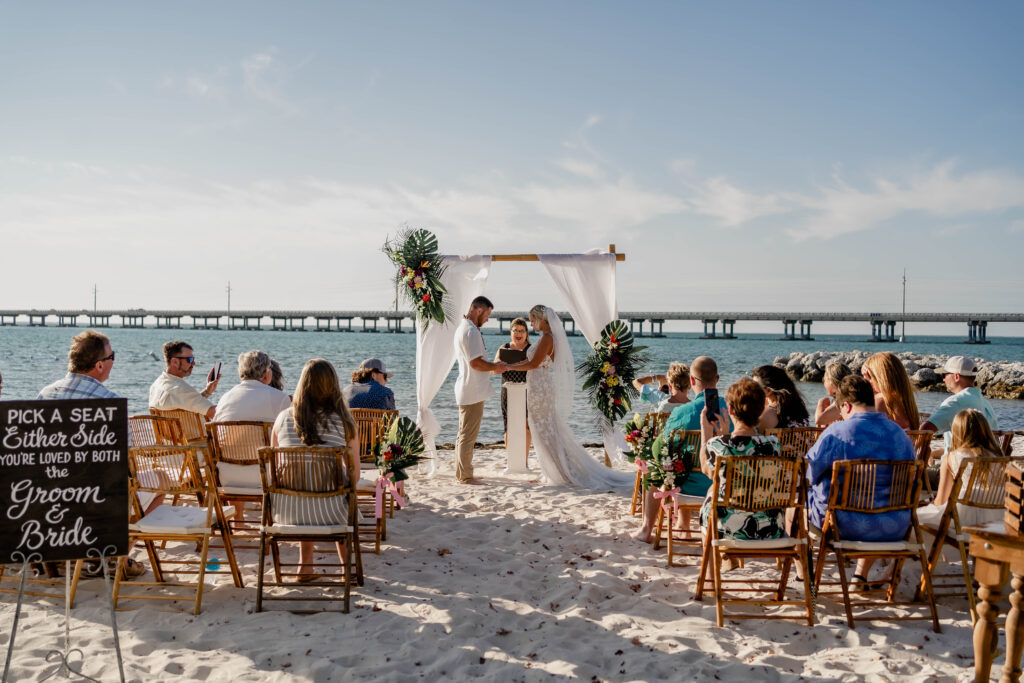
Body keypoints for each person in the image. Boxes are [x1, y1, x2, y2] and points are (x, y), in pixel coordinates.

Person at [36, 330, 146, 578]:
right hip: (92, 500)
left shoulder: (45, 394)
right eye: (112, 357)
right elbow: (125, 461)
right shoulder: (110, 402)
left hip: (45, 497)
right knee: (157, 481)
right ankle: (112, 556)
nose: (113, 362)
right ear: (99, 365)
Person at [804, 374, 916, 584]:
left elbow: (809, 473)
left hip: (844, 526)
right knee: (874, 502)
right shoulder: (900, 435)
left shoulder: (837, 432)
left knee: (798, 507)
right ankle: (860, 575)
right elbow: (912, 480)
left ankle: (806, 579)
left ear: (845, 406)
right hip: (895, 526)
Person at [512, 305, 633, 489]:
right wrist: (508, 363)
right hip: (538, 385)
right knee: (544, 430)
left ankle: (558, 472)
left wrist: (509, 367)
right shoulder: (547, 337)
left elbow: (533, 363)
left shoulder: (547, 338)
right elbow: (529, 361)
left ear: (541, 319)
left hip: (540, 387)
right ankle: (552, 470)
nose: (531, 323)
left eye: (532, 319)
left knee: (544, 431)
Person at [271, 359, 360, 582]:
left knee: (303, 482)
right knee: (339, 493)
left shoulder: (282, 419)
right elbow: (355, 475)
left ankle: (305, 567)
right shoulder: (344, 422)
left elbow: (272, 466)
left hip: (286, 509)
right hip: (332, 511)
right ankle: (345, 569)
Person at [698, 378, 787, 542]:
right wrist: (724, 435)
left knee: (711, 496)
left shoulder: (719, 444)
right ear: (761, 410)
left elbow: (707, 470)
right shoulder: (774, 444)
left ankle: (712, 568)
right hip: (770, 527)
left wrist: (706, 432)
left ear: (730, 410)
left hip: (727, 528)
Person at [918, 409, 1007, 530]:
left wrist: (932, 505)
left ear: (957, 432)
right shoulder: (1001, 458)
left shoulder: (952, 458)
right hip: (998, 521)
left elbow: (941, 500)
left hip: (963, 520)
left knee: (916, 519)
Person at [453, 296, 506, 484]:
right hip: (472, 389)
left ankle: (462, 473)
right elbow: (475, 363)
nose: (488, 319)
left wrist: (492, 366)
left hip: (466, 387)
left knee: (463, 434)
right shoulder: (471, 331)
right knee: (468, 436)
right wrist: (495, 367)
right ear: (478, 311)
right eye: (487, 314)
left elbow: (474, 362)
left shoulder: (463, 328)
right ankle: (466, 476)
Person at [920, 356, 999, 456]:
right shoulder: (985, 402)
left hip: (958, 469)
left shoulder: (955, 402)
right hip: (985, 466)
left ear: (957, 377)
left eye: (944, 375)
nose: (943, 379)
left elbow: (925, 429)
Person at [149, 340, 221, 421]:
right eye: (189, 360)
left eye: (193, 359)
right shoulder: (180, 389)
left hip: (167, 434)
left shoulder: (156, 385)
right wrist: (233, 402)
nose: (193, 363)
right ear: (175, 362)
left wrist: (207, 391)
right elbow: (215, 413)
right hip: (196, 434)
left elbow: (186, 402)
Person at [214, 350, 292, 423]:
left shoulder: (225, 398)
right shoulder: (281, 398)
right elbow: (288, 432)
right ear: (266, 373)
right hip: (262, 438)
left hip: (226, 438)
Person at [492, 317, 531, 457]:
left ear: (526, 333)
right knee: (508, 427)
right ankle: (511, 459)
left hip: (527, 392)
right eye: (515, 330)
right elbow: (493, 370)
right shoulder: (503, 348)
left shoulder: (531, 349)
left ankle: (524, 460)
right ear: (511, 332)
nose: (518, 334)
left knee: (526, 427)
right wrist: (500, 364)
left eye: (521, 330)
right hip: (507, 392)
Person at [861, 352, 919, 429]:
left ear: (879, 378)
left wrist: (867, 388)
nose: (866, 380)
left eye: (869, 376)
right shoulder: (905, 399)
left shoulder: (881, 401)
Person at [751, 365, 811, 430]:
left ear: (768, 390)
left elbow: (748, 433)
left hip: (780, 440)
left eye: (755, 386)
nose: (751, 389)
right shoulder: (797, 407)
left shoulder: (770, 413)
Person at [815, 362, 852, 427]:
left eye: (825, 380)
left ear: (831, 382)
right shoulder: (852, 396)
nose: (824, 383)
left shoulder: (844, 400)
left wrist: (821, 403)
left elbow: (819, 419)